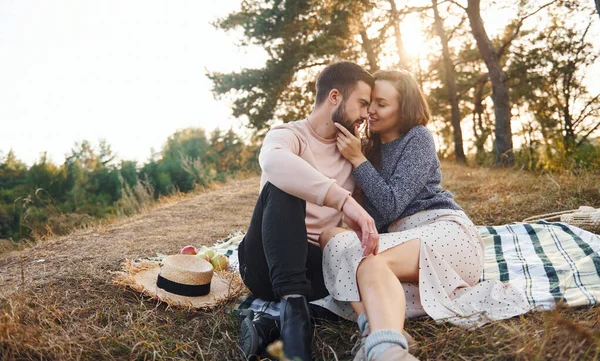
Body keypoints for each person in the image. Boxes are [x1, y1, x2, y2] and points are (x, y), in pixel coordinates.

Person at [320, 69, 494, 361]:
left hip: (443, 232)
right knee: (331, 238)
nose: (371, 110)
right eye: (369, 102)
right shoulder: (367, 148)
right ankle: (375, 329)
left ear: (404, 108)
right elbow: (369, 218)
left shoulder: (418, 138)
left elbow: (390, 205)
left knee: (370, 265)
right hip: (399, 242)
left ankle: (388, 351)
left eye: (382, 104)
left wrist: (356, 159)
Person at [237, 61, 381, 361]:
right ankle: (297, 346)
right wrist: (343, 200)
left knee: (345, 278)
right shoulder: (287, 135)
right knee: (283, 185)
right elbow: (275, 163)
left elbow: (368, 216)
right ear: (335, 97)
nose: (367, 114)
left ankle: (273, 325)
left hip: (313, 272)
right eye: (363, 103)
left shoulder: (353, 151)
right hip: (263, 263)